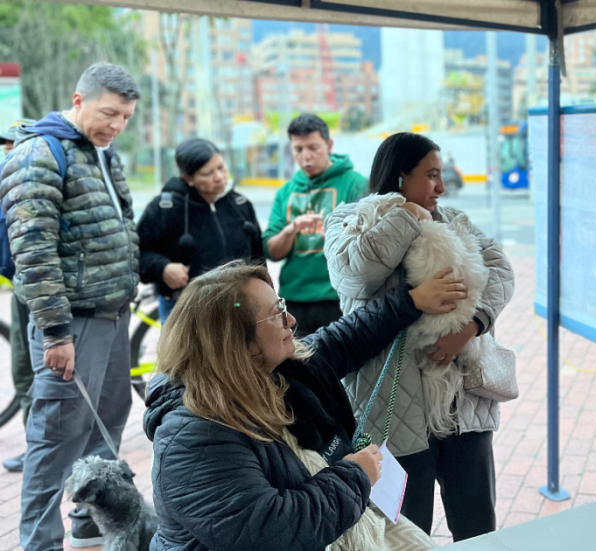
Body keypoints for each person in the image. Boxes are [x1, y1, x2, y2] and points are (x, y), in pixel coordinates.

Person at [145, 261, 468, 550]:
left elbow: (346, 337)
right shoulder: (195, 436)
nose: (290, 319)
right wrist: (355, 475)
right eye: (276, 313)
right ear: (234, 341)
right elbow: (273, 530)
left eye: (282, 306)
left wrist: (411, 301)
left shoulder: (282, 373)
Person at [325, 132, 514, 541]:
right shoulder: (349, 221)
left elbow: (501, 270)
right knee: (404, 535)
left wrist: (470, 327)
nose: (441, 187)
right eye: (431, 175)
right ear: (399, 176)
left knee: (478, 528)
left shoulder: (453, 220)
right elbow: (358, 274)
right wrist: (407, 215)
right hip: (393, 414)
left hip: (462, 408)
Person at [0, 63, 140, 551]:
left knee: (110, 417)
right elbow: (33, 251)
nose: (117, 125)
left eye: (126, 117)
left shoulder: (104, 151)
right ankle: (39, 542)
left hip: (113, 314)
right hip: (72, 322)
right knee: (57, 435)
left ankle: (88, 521)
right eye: (109, 113)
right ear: (78, 101)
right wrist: (55, 332)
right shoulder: (39, 152)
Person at [262, 114, 369, 337]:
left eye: (313, 148)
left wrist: (337, 235)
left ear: (329, 145)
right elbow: (271, 251)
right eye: (298, 149)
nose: (306, 156)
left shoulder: (356, 184)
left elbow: (370, 240)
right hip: (295, 297)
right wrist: (291, 229)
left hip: (340, 296)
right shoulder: (286, 192)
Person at [138, 138, 264, 322]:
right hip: (185, 309)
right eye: (208, 173)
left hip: (238, 306)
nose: (219, 177)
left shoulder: (240, 205)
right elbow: (138, 254)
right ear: (188, 178)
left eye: (221, 167)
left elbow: (259, 258)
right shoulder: (165, 208)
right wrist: (163, 268)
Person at [0, 118, 36, 473]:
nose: (7, 150)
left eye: (13, 144)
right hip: (19, 289)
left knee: (37, 375)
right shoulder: (8, 182)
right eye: (5, 145)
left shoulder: (37, 185)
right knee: (23, 372)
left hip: (39, 292)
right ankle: (36, 446)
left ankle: (42, 450)